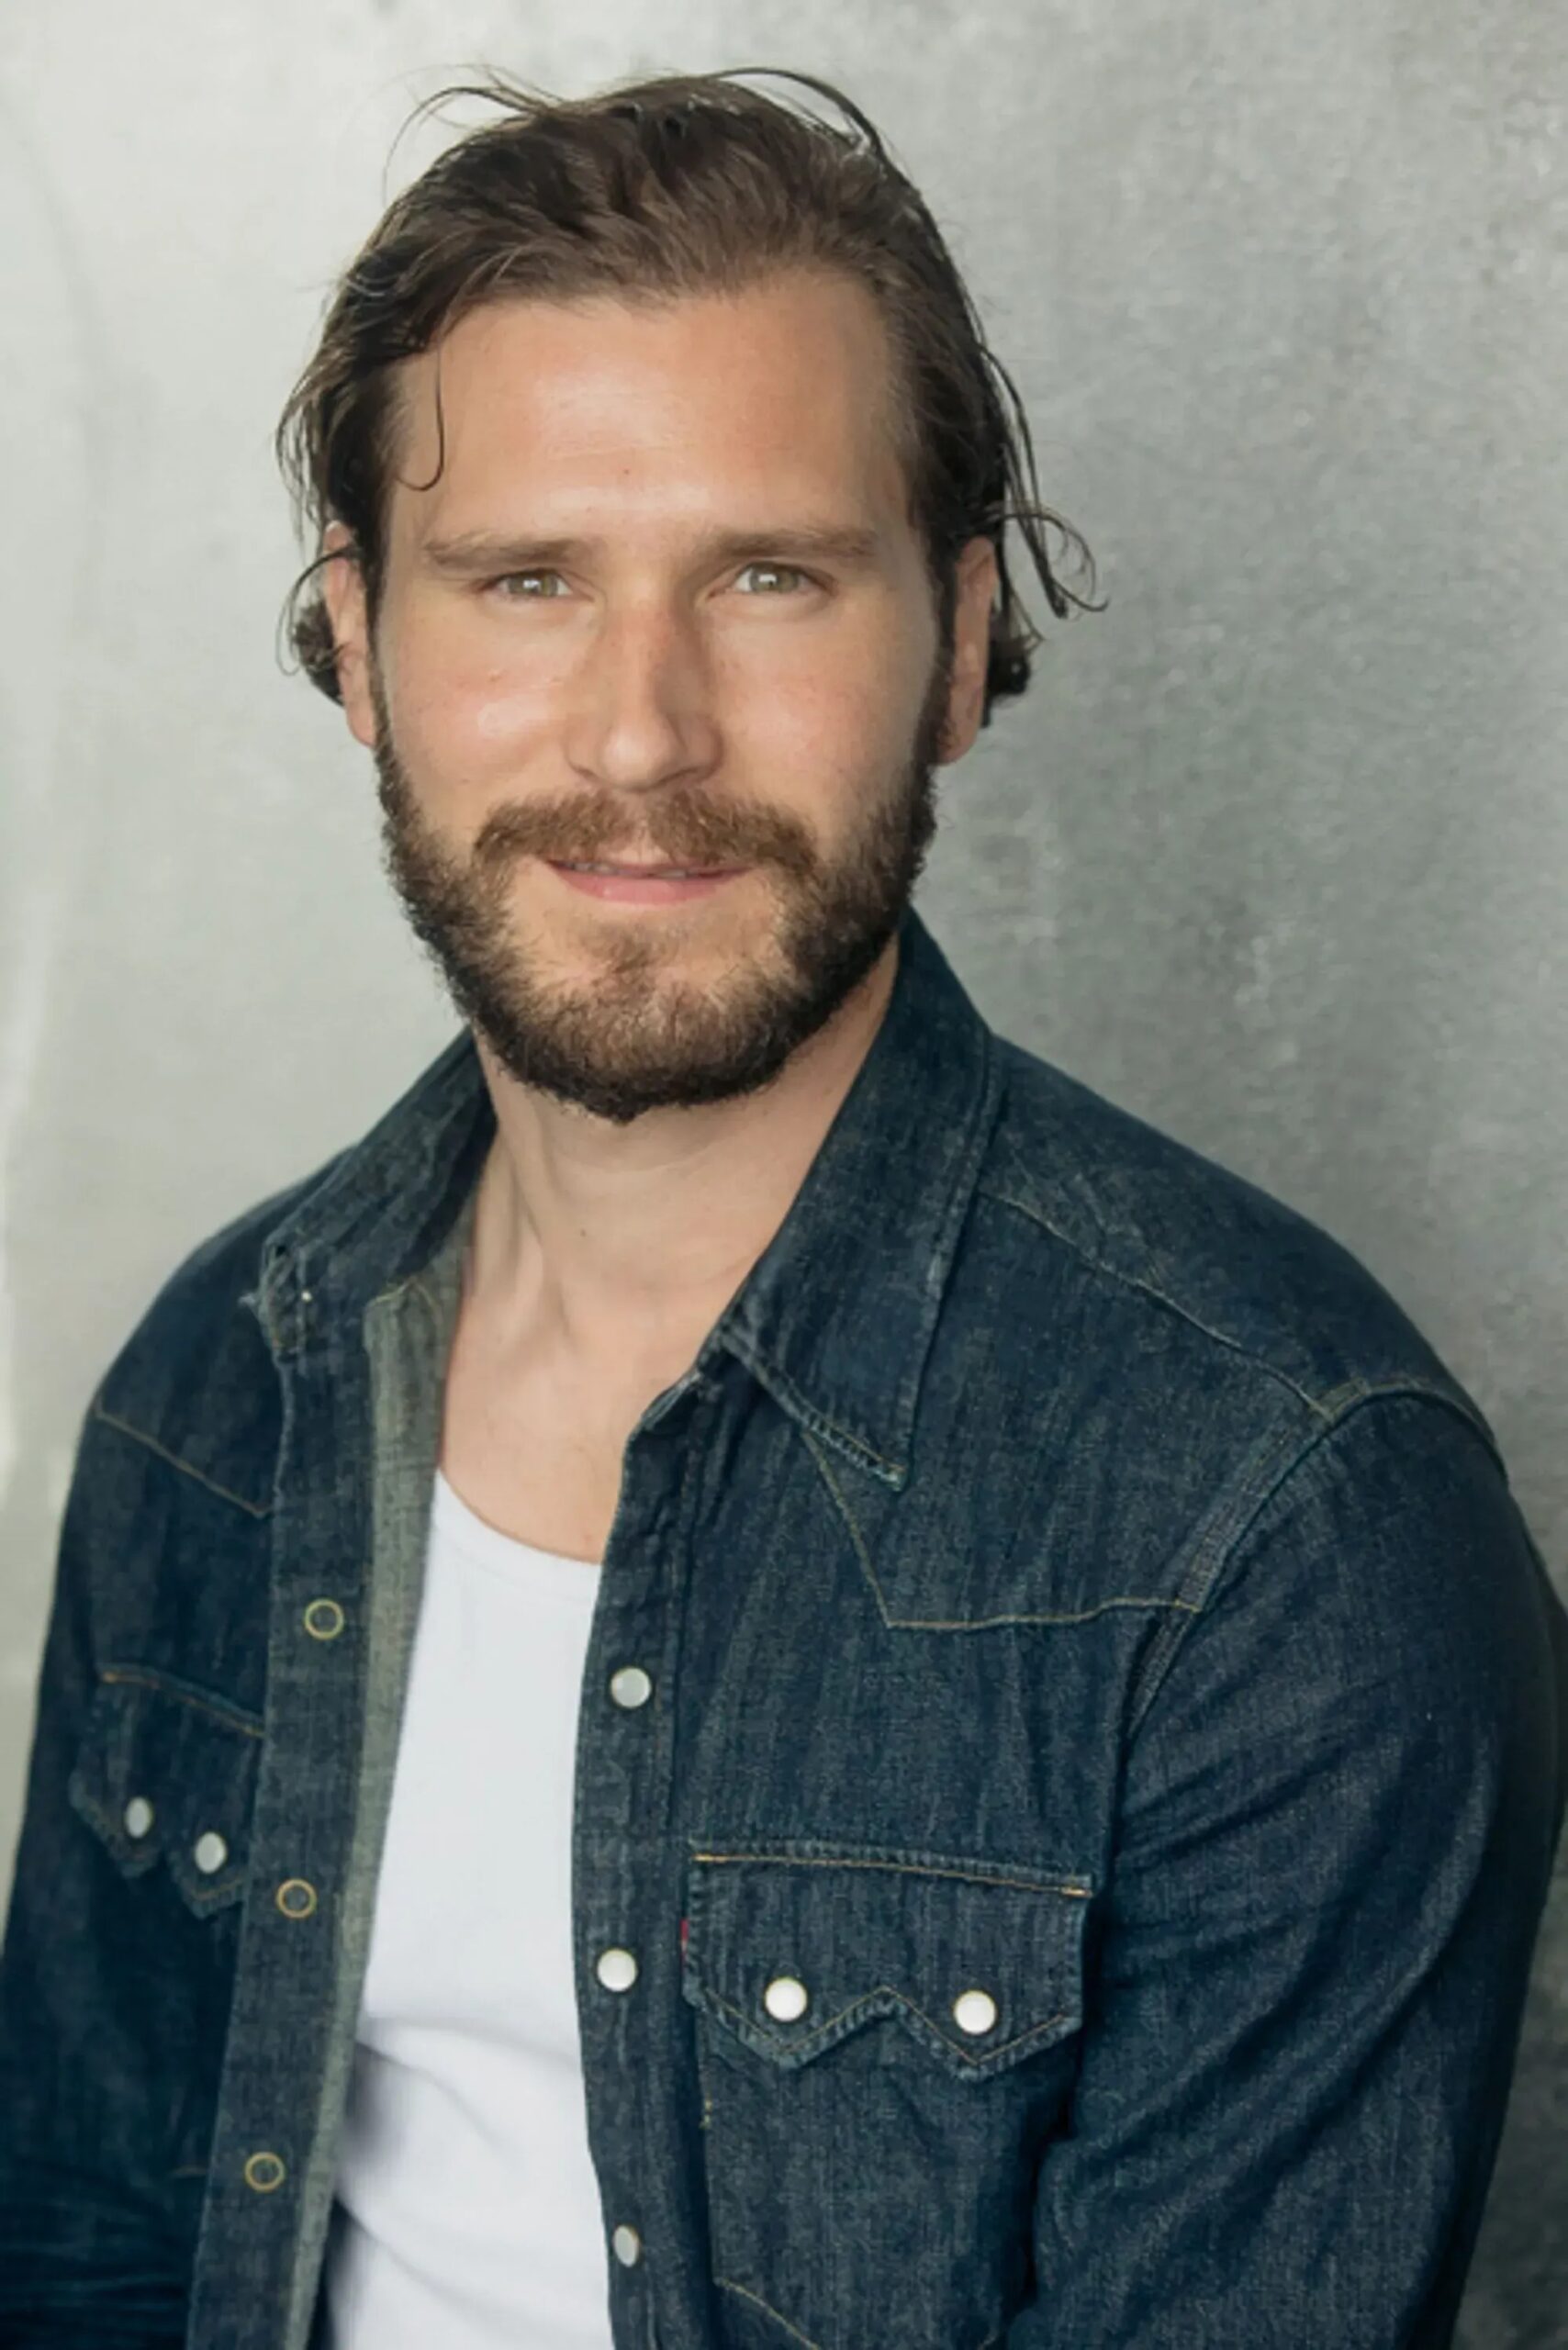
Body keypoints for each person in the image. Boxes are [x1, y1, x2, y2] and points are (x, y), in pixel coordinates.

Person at [1, 62, 1563, 2350]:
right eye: (525, 579)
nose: (641, 734)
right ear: (360, 641)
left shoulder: (1285, 1526)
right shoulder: (213, 1387)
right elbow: (81, 2244)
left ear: (952, 641)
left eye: (767, 576)